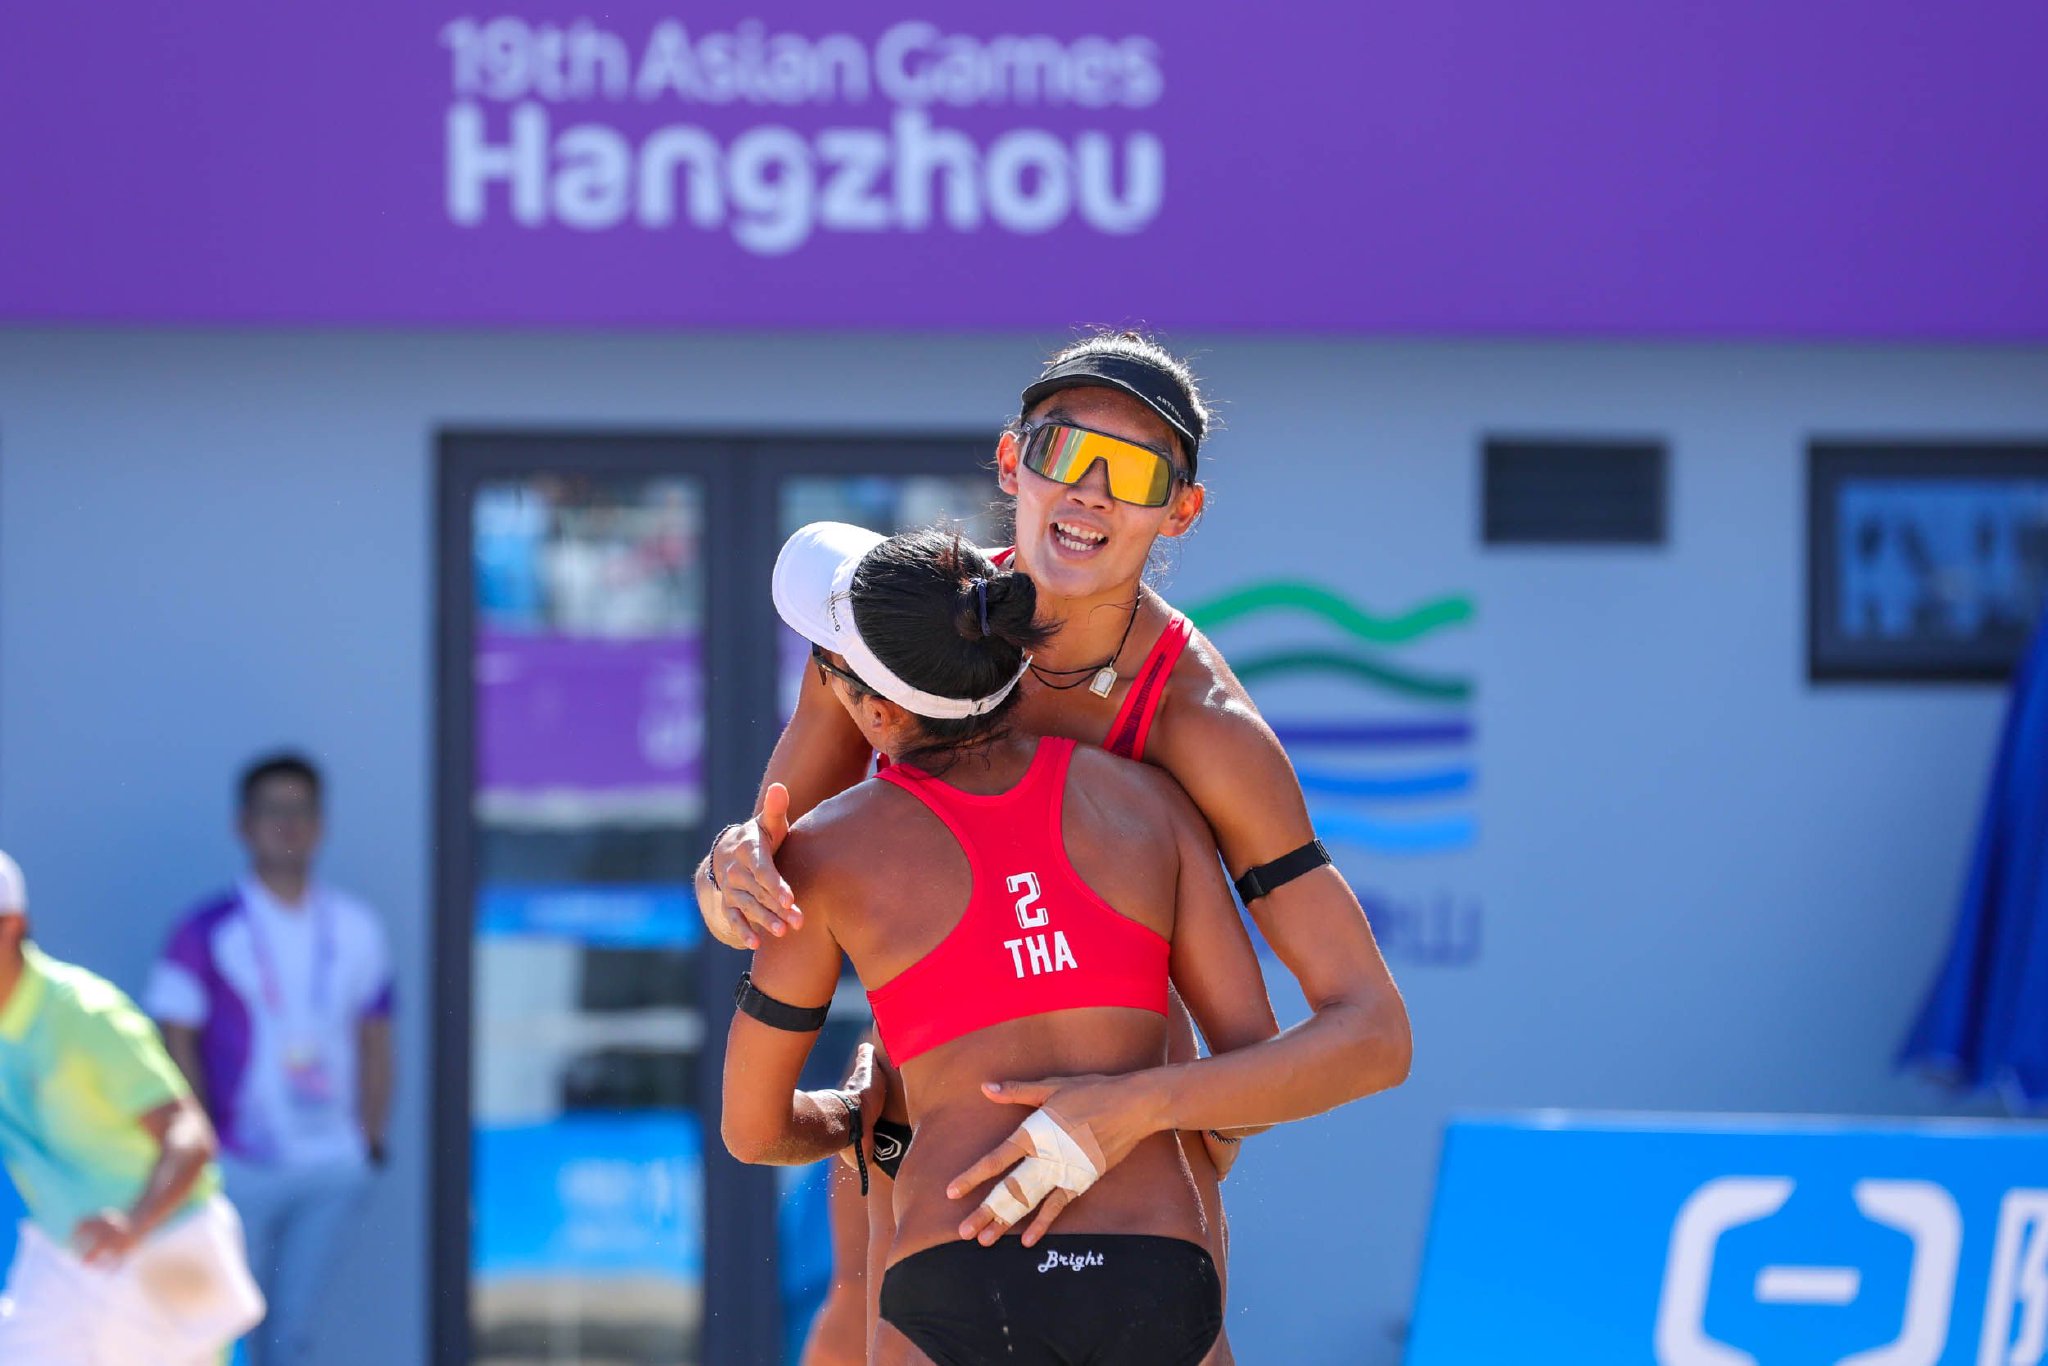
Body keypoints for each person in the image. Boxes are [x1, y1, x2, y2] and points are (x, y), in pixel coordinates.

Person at [700, 333, 1414, 1362]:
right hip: (930, 1131)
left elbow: (1371, 1035)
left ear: (1181, 512)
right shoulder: (897, 623)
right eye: (1062, 449)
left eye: (1132, 471)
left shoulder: (1197, 724)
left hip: (1118, 1155)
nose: (1087, 490)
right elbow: (771, 864)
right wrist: (725, 873)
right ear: (1010, 461)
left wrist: (1135, 1108)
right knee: (845, 1320)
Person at [724, 525, 1280, 1365]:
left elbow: (753, 1131)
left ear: (879, 713)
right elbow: (1253, 1082)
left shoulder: (821, 853)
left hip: (960, 1264)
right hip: (1158, 1264)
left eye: (827, 673)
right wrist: (1165, 1120)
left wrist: (850, 1113)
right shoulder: (1152, 805)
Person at [145, 753, 395, 1366]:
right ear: (244, 824)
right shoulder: (206, 928)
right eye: (273, 810)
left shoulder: (357, 927)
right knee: (220, 1325)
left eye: (301, 810)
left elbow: (377, 1036)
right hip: (240, 1163)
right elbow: (175, 1039)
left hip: (330, 1163)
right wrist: (201, 1143)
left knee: (291, 1331)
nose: (289, 824)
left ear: (321, 824)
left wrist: (368, 1139)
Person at [0, 848, 266, 1363]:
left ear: (11, 927)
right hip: (63, 1253)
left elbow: (189, 1134)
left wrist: (133, 1224)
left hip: (159, 1249)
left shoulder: (85, 1013)